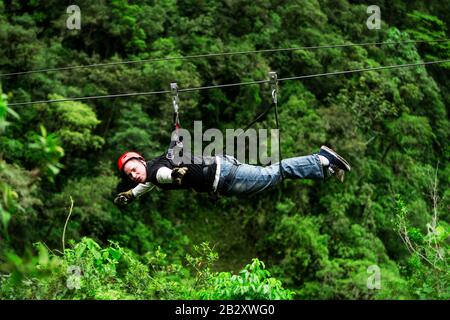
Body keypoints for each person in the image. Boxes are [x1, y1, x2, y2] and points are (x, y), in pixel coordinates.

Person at [114, 146, 351, 205]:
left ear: (141, 161)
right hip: (223, 172)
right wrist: (131, 195)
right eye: (129, 175)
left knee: (274, 173)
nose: (133, 175)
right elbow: (148, 183)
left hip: (224, 175)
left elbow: (162, 176)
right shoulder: (151, 169)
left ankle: (321, 160)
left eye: (133, 169)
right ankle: (326, 168)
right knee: (272, 176)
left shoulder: (156, 171)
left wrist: (174, 174)